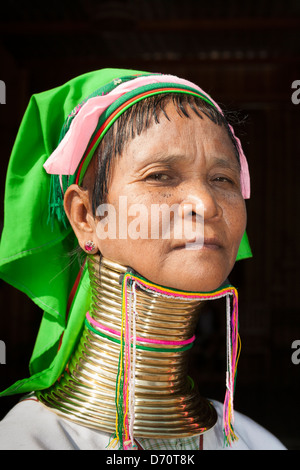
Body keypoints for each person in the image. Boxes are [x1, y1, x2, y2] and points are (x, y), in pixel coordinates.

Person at [0, 69, 285, 450]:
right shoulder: (29, 439)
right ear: (86, 216)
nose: (206, 204)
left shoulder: (251, 441)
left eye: (222, 179)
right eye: (161, 175)